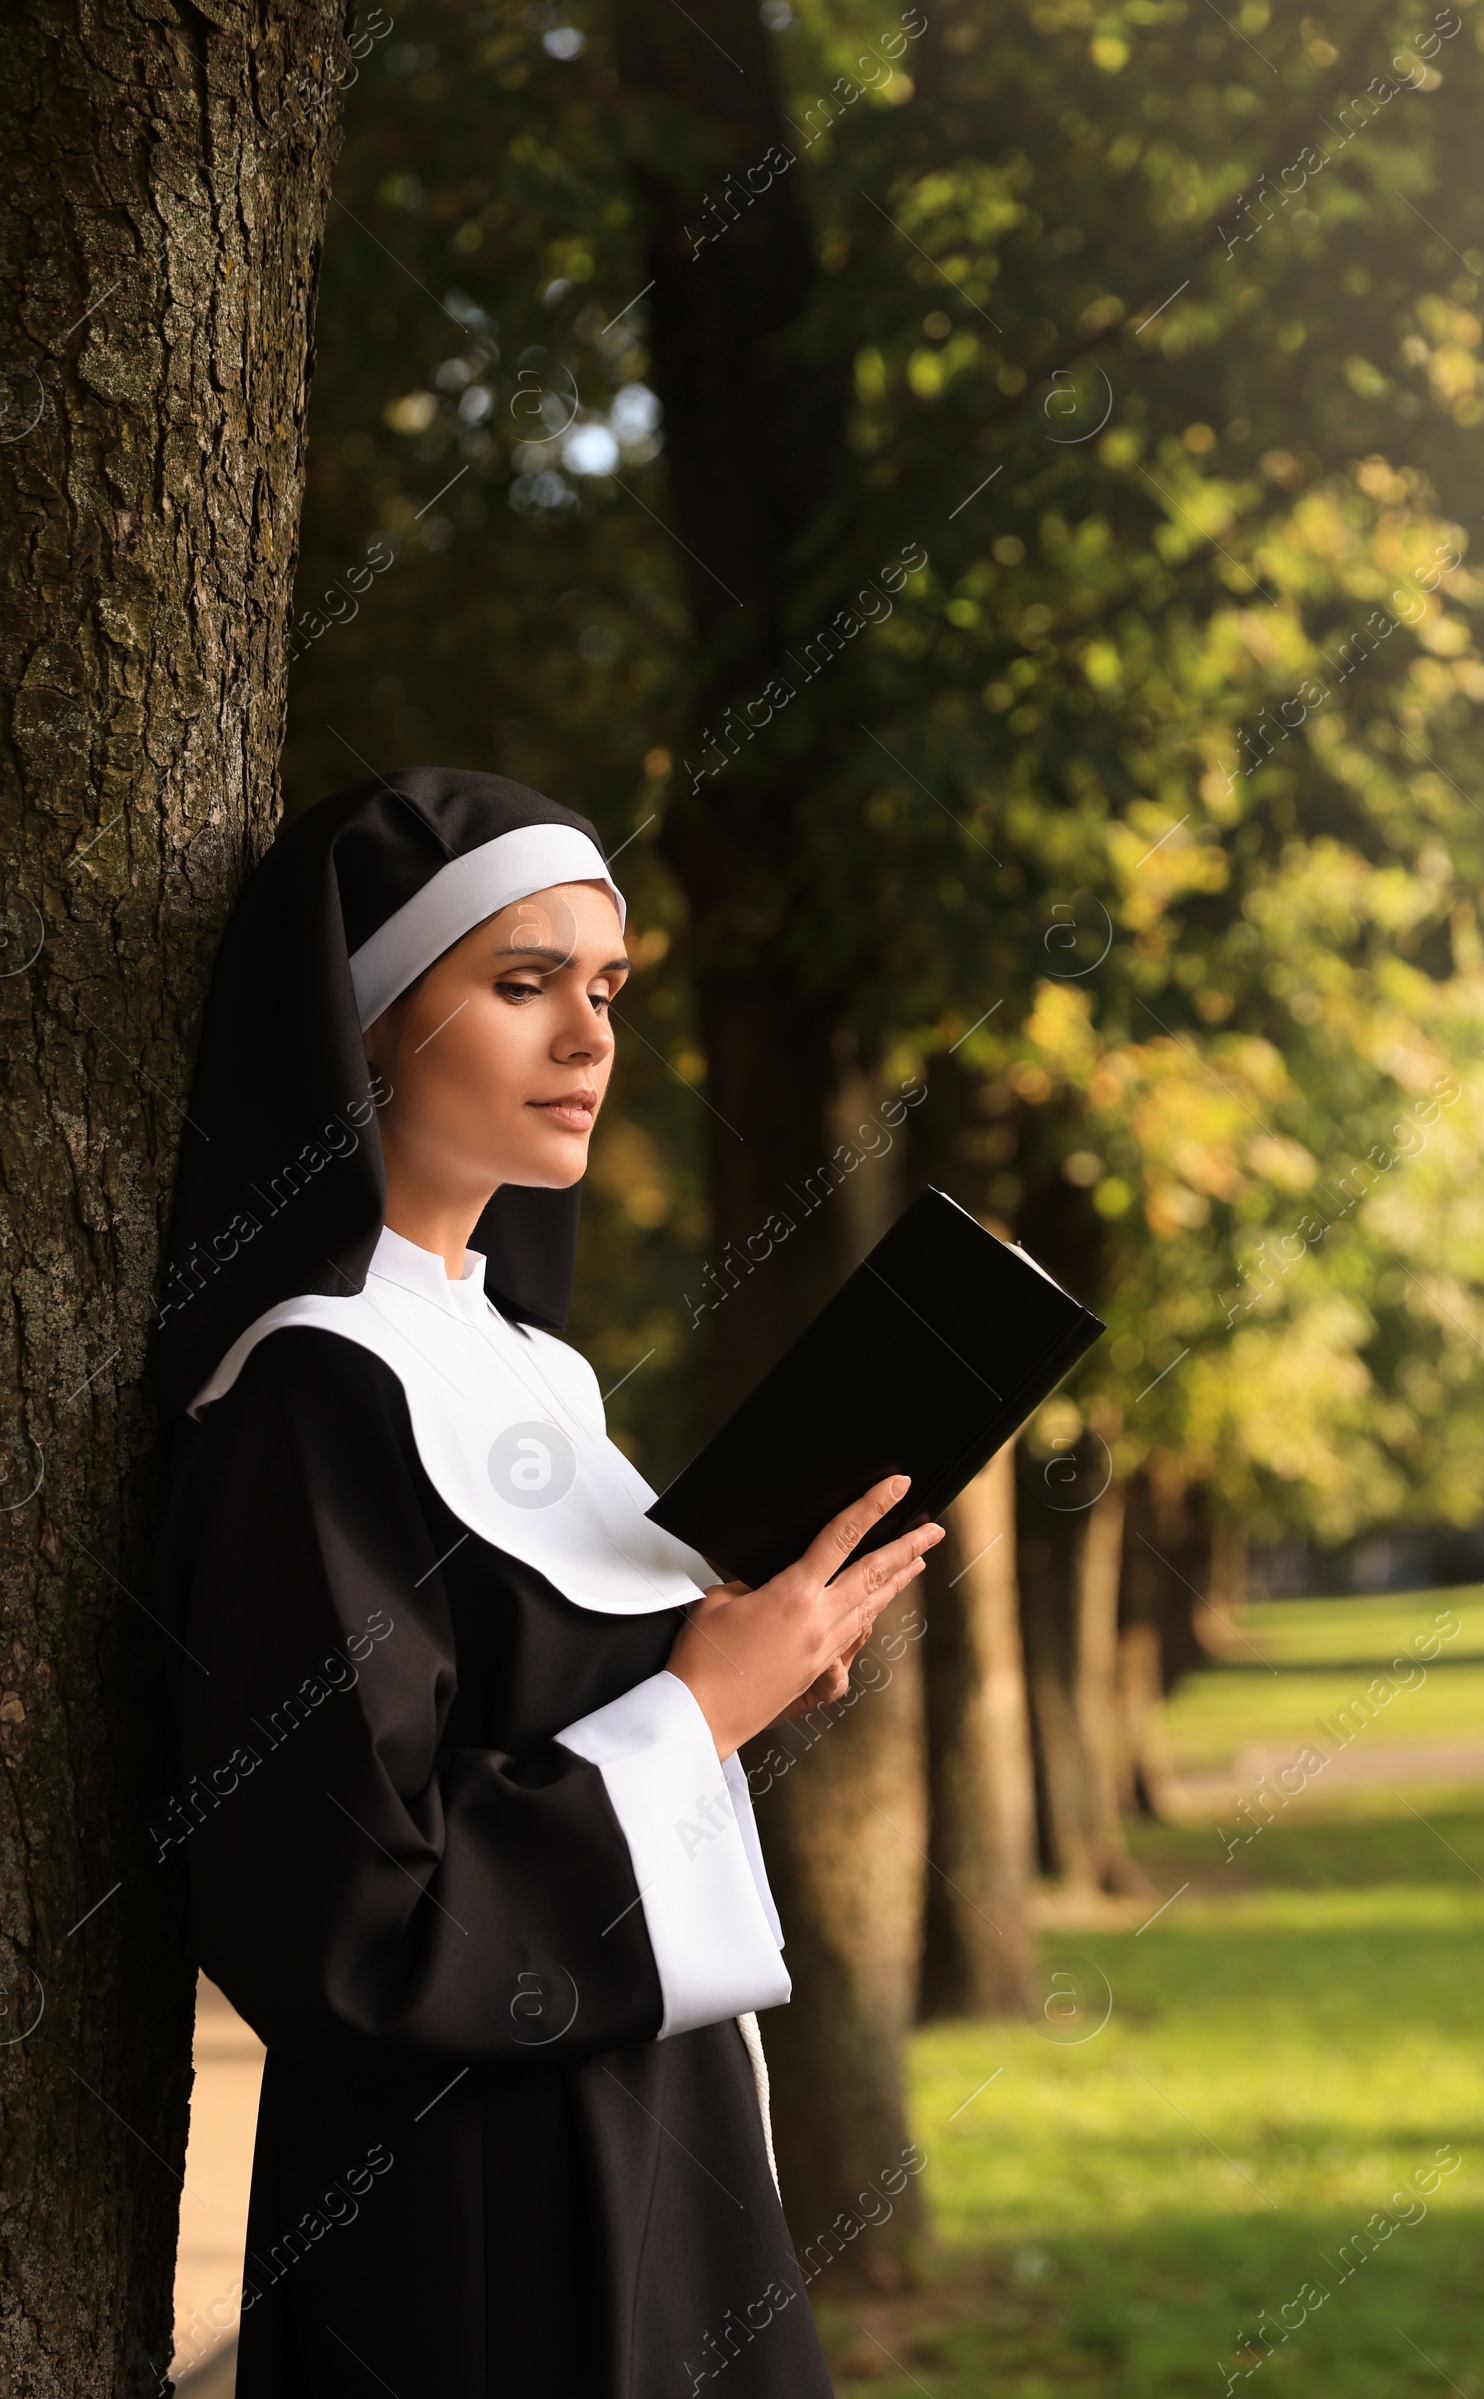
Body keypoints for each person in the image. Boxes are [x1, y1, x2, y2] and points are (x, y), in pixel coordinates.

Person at [153, 768, 943, 2398]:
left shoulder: (538, 1373)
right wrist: (693, 1705)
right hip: (474, 2206)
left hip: (662, 2135)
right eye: (522, 986)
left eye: (606, 990)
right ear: (368, 1022)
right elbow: (336, 1911)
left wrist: (747, 1665)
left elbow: (596, 1732)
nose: (590, 1040)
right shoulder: (316, 1389)